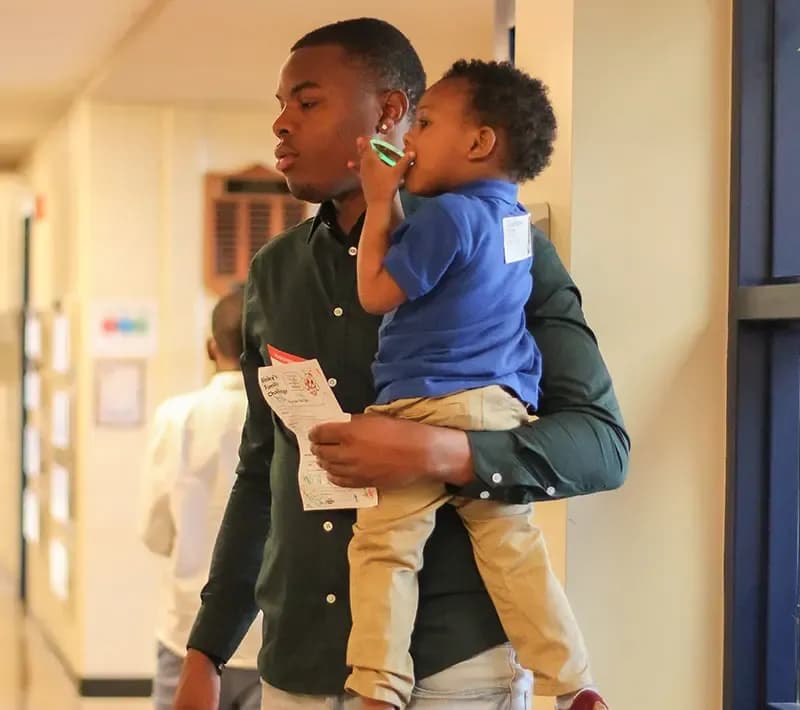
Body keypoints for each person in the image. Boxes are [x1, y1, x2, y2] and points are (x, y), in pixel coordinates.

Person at [174, 17, 629, 710]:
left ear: (389, 112)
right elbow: (262, 470)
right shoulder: (272, 274)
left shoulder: (504, 248)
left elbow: (601, 447)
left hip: (453, 669)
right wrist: (207, 651)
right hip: (297, 665)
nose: (281, 127)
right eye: (279, 107)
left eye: (307, 101)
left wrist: (441, 450)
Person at [345, 59, 606, 710]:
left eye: (425, 123)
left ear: (480, 141)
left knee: (384, 550)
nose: (409, 138)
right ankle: (572, 682)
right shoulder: (516, 223)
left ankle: (377, 688)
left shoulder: (448, 217)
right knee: (515, 552)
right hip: (498, 407)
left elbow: (378, 292)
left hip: (422, 407)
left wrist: (380, 201)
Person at [139, 287, 262, 710]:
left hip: (185, 633)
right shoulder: (289, 420)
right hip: (267, 639)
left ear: (212, 347)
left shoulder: (177, 417)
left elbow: (155, 534)